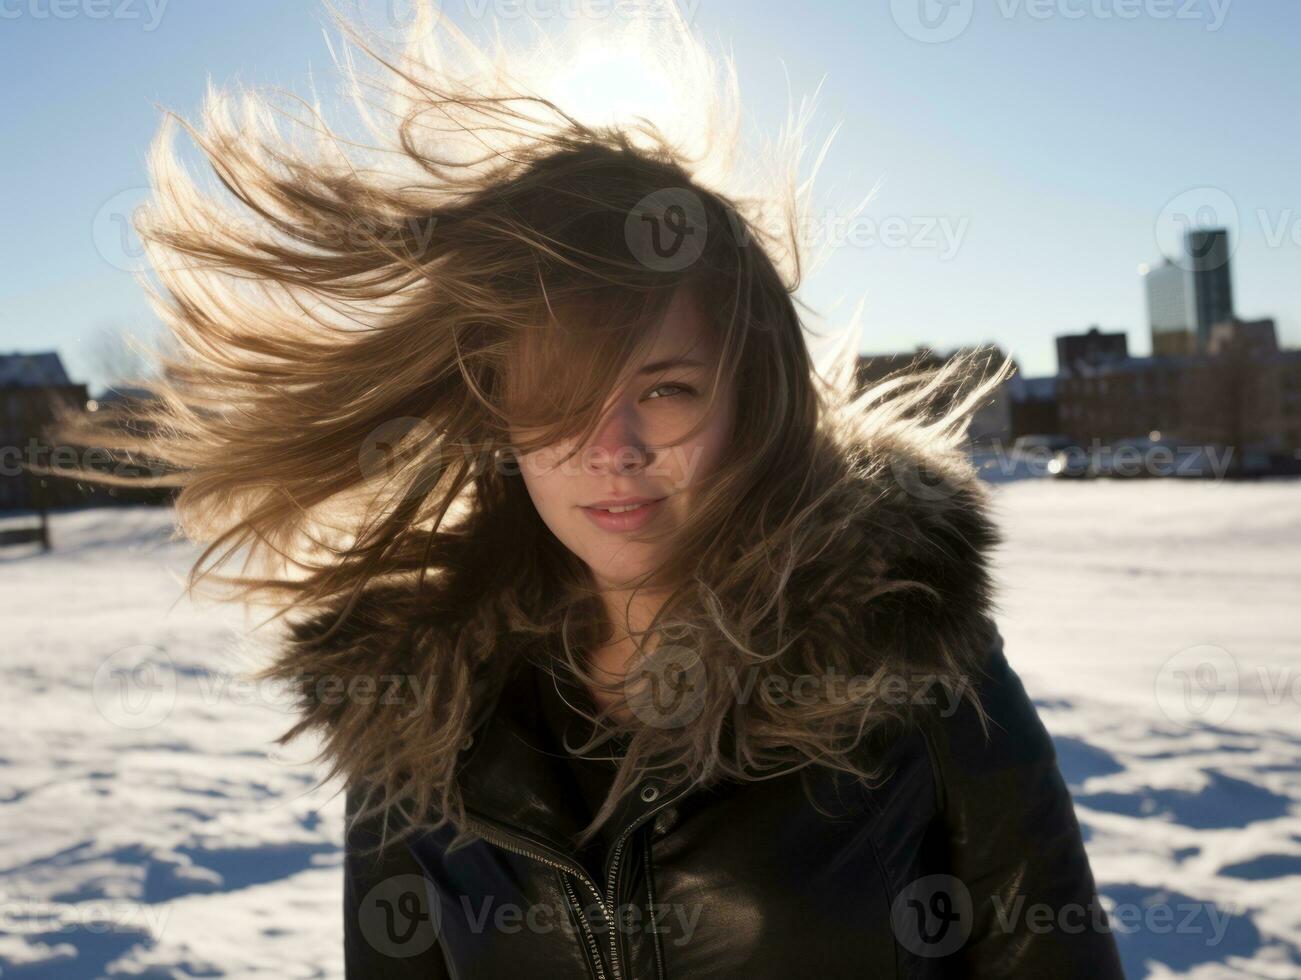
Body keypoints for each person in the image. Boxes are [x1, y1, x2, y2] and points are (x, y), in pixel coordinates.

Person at [76, 3, 1125, 976]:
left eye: (663, 391)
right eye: (555, 399)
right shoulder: (417, 708)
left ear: (747, 393)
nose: (610, 448)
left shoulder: (905, 648)